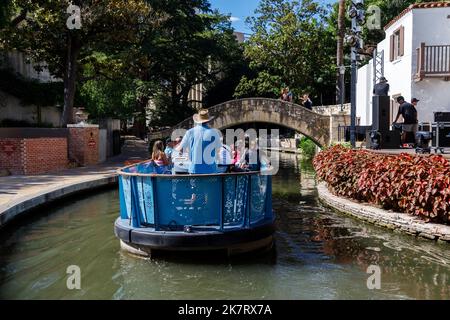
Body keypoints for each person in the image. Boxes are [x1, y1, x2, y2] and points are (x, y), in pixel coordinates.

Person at [175, 109, 221, 174]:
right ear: (208, 121)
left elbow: (180, 149)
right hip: (210, 169)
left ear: (197, 121)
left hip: (194, 169)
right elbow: (218, 149)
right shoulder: (214, 132)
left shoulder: (190, 132)